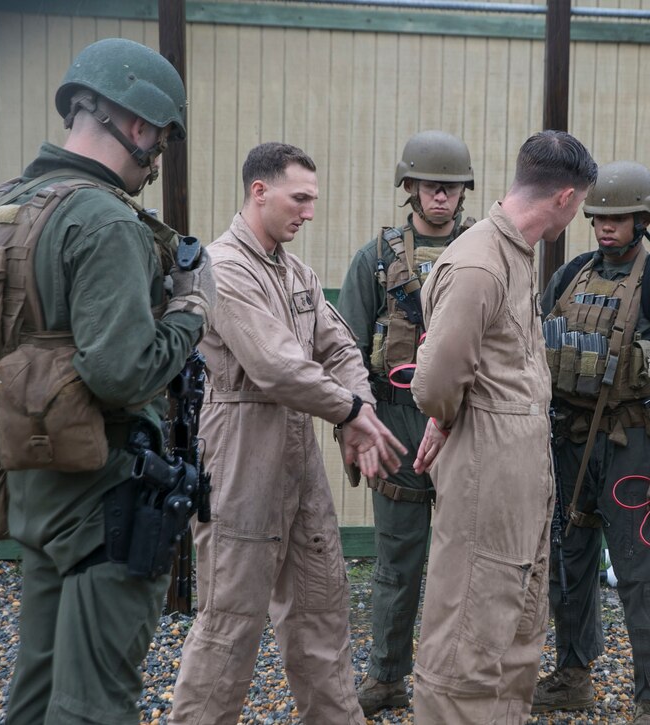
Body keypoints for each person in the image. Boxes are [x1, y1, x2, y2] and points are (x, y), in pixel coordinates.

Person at [0, 38, 210, 723]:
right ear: (137, 124)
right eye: (161, 140)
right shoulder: (106, 220)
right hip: (104, 494)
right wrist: (189, 312)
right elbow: (121, 372)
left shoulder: (10, 207)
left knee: (36, 690)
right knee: (95, 704)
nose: (157, 159)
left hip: (34, 481)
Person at [169, 142, 406, 725]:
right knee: (231, 622)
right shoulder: (223, 268)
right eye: (299, 198)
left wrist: (359, 413)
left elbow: (340, 348)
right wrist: (349, 413)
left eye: (313, 200)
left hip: (299, 461)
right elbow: (275, 367)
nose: (309, 212)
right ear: (260, 191)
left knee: (321, 609)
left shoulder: (297, 272)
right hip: (241, 456)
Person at [409, 130, 597, 723]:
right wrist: (444, 418)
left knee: (514, 625)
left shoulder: (515, 254)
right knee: (468, 629)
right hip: (486, 471)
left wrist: (448, 416)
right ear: (565, 198)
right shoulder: (479, 264)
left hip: (517, 471)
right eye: (581, 204)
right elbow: (435, 383)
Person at [534, 161, 650, 724]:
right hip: (568, 443)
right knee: (568, 563)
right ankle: (573, 675)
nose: (605, 226)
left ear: (643, 219)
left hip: (634, 444)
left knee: (643, 576)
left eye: (619, 217)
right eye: (598, 217)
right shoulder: (570, 276)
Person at [336, 129, 476, 715]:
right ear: (410, 187)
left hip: (466, 425)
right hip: (395, 422)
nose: (440, 196)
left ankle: (458, 680)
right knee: (397, 562)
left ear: (464, 191)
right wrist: (354, 425)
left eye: (450, 187)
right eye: (429, 185)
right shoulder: (374, 260)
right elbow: (345, 348)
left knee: (467, 565)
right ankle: (387, 676)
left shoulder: (485, 254)